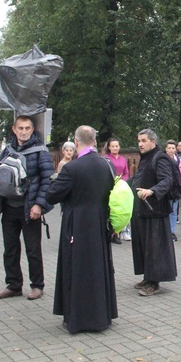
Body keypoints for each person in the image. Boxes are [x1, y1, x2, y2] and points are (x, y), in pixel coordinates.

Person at [46, 125, 117, 334]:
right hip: (99, 222)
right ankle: (101, 316)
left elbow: (52, 196)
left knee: (77, 269)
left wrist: (55, 180)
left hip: (77, 224)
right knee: (98, 268)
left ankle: (79, 318)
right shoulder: (106, 166)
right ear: (94, 142)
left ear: (76, 143)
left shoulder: (71, 168)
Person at [0, 115, 53, 301]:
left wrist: (39, 205)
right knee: (10, 248)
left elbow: (47, 180)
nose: (24, 132)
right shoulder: (7, 150)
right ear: (14, 129)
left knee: (32, 249)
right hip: (9, 208)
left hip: (30, 209)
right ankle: (14, 285)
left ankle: (37, 286)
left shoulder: (40, 151)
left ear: (32, 130)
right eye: (20, 128)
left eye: (27, 128)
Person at [130, 129, 177, 296]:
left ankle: (154, 283)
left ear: (153, 142)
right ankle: (147, 277)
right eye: (139, 141)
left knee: (155, 248)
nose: (140, 144)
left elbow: (167, 180)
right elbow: (138, 179)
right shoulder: (145, 159)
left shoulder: (160, 158)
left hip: (155, 210)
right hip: (143, 210)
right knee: (144, 246)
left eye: (143, 140)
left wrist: (152, 191)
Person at [105, 138, 130, 244]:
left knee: (120, 209)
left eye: (117, 146)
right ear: (109, 147)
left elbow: (126, 172)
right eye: (113, 146)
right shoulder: (106, 159)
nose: (115, 148)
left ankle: (117, 233)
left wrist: (122, 181)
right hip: (110, 186)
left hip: (121, 187)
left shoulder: (123, 159)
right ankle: (109, 232)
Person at [164, 140, 181, 242]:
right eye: (169, 148)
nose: (171, 150)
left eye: (173, 148)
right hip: (165, 190)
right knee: (165, 212)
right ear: (166, 149)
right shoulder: (162, 160)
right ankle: (165, 232)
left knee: (173, 212)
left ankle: (172, 232)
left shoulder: (178, 161)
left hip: (175, 190)